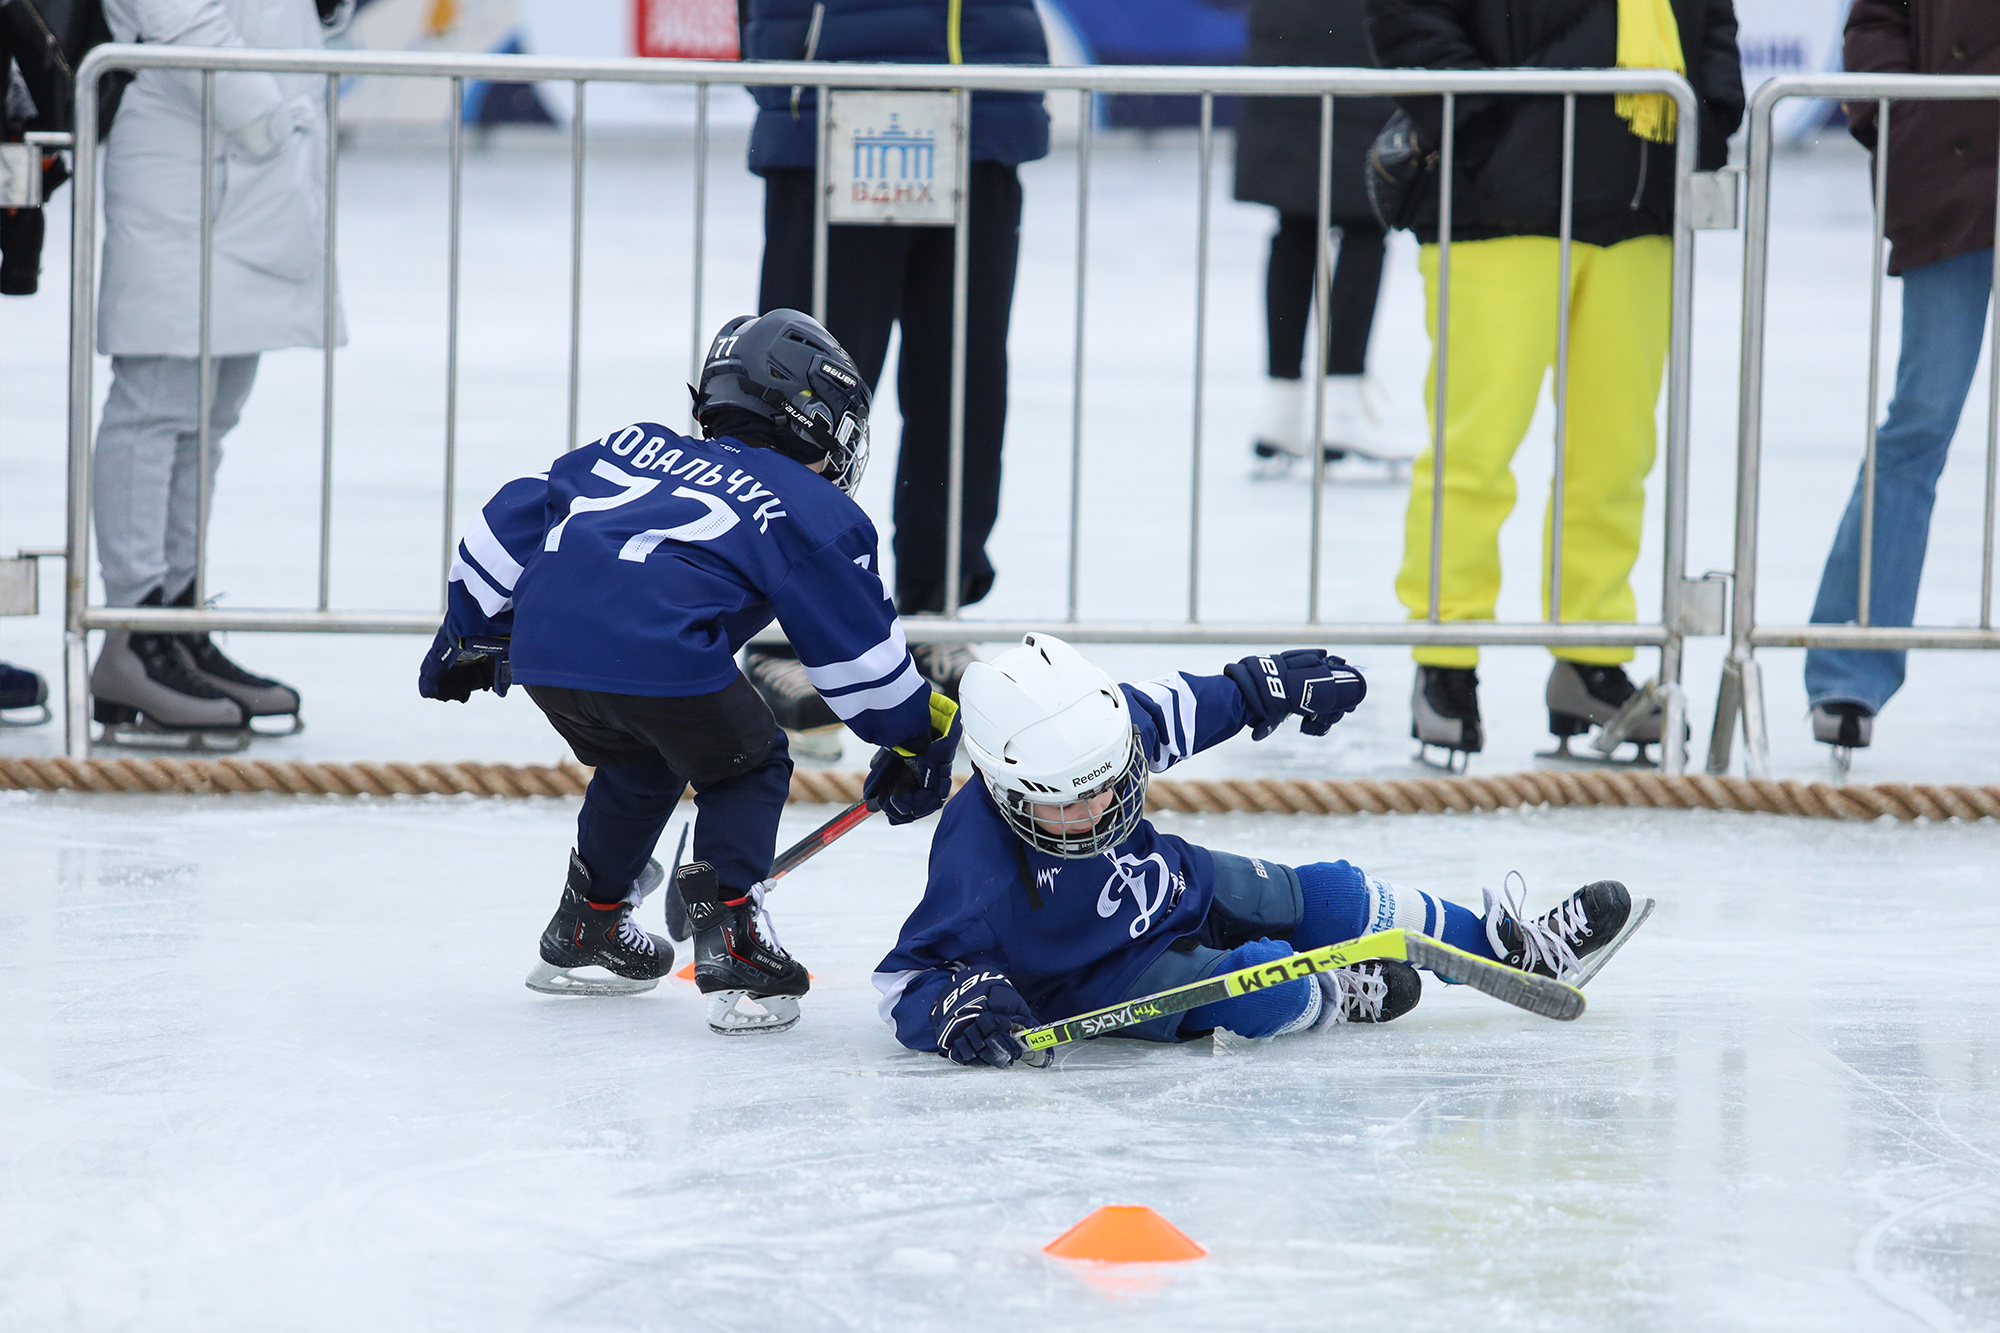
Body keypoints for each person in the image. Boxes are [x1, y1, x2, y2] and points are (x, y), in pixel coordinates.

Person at [420, 310, 961, 1037]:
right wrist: (914, 736)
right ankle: (733, 943)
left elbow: (512, 514)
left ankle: (588, 924)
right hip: (657, 649)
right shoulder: (805, 504)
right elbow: (859, 662)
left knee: (643, 757)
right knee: (748, 759)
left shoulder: (628, 446)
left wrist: (467, 631)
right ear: (811, 416)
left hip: (547, 649)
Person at [872, 634, 1633, 1065]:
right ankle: (1342, 992)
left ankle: (1509, 947)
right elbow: (906, 977)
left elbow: (1183, 705)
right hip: (1108, 975)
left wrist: (1256, 685)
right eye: (1071, 800)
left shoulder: (1091, 732)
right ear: (1006, 786)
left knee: (1330, 892)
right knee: (1261, 987)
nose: (1101, 803)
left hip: (1180, 883)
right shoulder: (976, 861)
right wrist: (951, 1008)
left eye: (1111, 781)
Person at [1365, 0, 1743, 766]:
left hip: (1638, 203)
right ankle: (1446, 656)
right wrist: (1493, 126)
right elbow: (1407, 16)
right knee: (1474, 451)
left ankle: (1592, 656)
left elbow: (1713, 29)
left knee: (1616, 457)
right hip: (1499, 206)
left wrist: (1707, 121)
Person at [736, 0, 1051, 751]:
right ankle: (779, 626)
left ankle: (936, 610)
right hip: (838, 95)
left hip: (981, 95)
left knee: (963, 382)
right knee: (798, 390)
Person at [87, 0, 351, 744]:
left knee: (211, 413)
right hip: (189, 145)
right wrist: (260, 110)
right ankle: (131, 631)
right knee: (158, 403)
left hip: (255, 157)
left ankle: (176, 619)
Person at [1802, 0, 1997, 760]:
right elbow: (1874, 22)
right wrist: (1905, 118)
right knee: (1919, 420)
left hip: (1948, 164)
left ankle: (1849, 660)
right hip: (1952, 177)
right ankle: (1851, 663)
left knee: (1915, 425)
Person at [1234, 0, 1407, 466]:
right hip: (1359, 46)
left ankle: (1281, 407)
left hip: (1285, 50)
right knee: (1364, 222)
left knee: (1294, 223)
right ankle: (1343, 408)